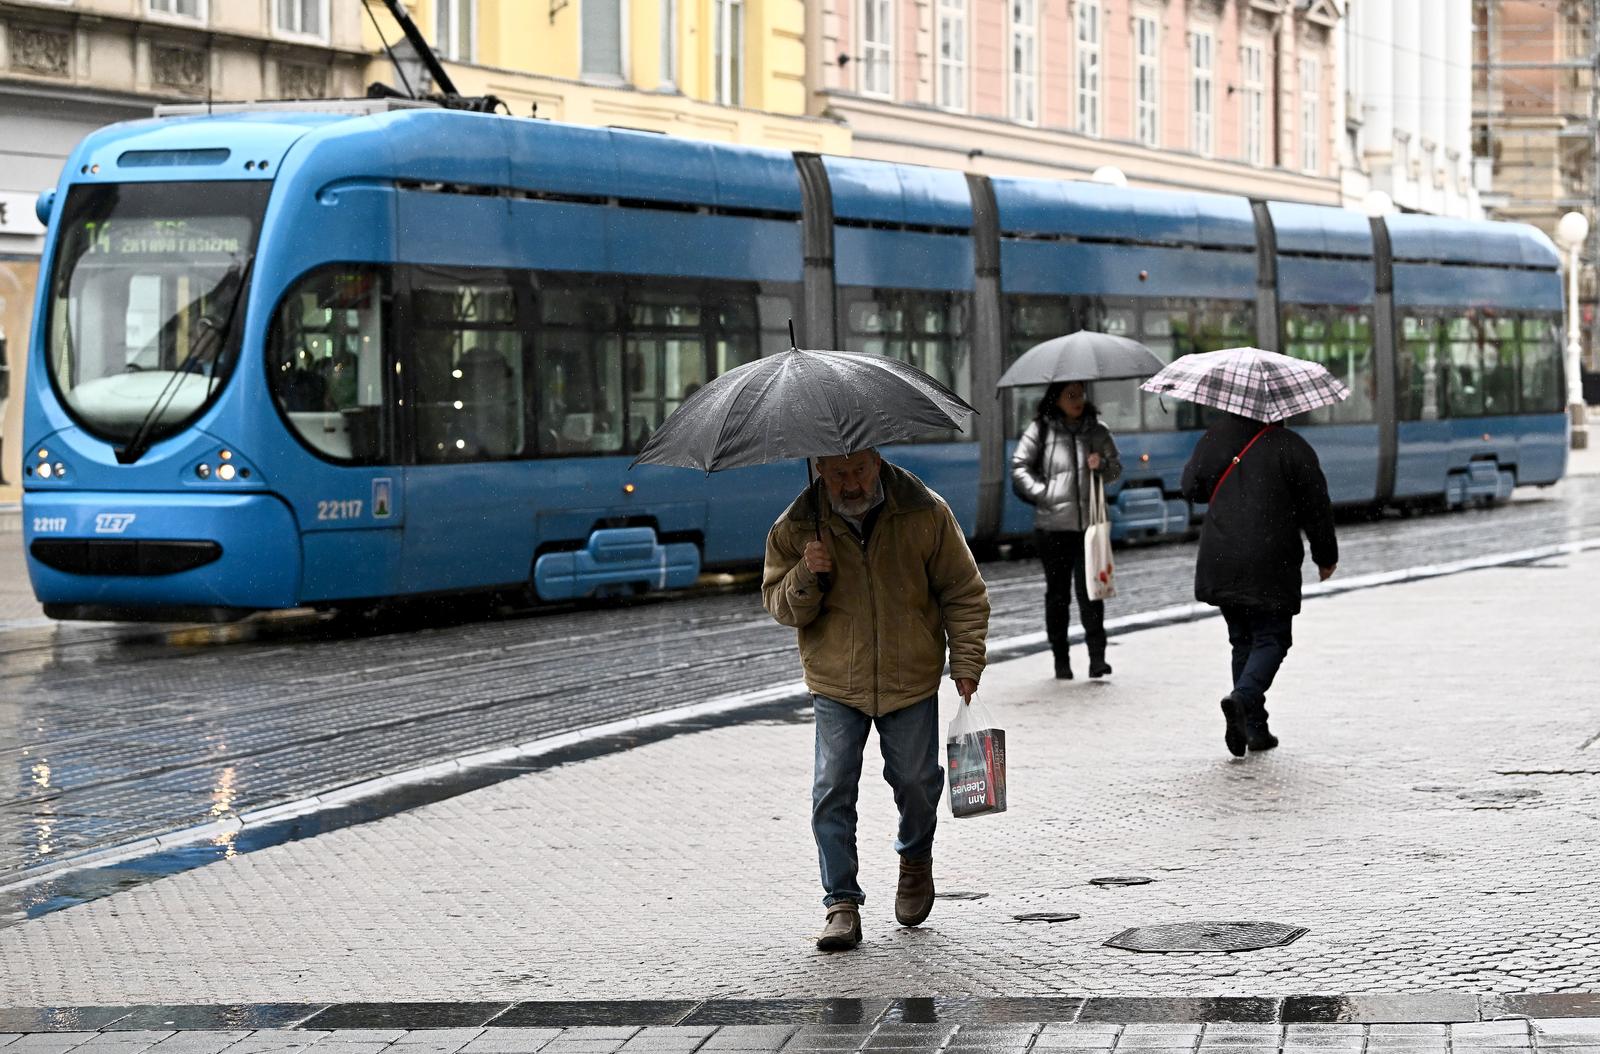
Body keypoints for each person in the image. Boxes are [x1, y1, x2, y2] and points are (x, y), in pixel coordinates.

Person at [762, 448, 990, 953]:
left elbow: (963, 591)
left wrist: (967, 663)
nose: (850, 483)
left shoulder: (925, 511)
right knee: (832, 788)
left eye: (859, 470)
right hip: (836, 681)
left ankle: (914, 859)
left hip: (910, 676)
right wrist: (805, 573)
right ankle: (841, 904)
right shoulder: (797, 526)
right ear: (819, 469)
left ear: (877, 460)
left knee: (916, 781)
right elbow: (780, 605)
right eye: (838, 473)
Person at [1180, 412, 1338, 757]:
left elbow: (1190, 488)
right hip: (1270, 559)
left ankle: (1254, 728)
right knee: (1272, 638)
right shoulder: (1293, 448)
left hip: (1221, 554)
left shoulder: (1216, 437)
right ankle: (1243, 699)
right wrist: (1325, 555)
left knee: (1243, 641)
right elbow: (1317, 508)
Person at [1009, 380, 1122, 681]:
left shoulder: (1097, 429)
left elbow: (1116, 469)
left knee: (1092, 594)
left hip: (1089, 527)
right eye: (1070, 395)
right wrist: (1046, 493)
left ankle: (1098, 658)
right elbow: (1019, 467)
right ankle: (1061, 659)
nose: (1078, 400)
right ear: (1056, 399)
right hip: (1053, 528)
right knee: (1058, 596)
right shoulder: (1041, 430)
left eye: (1081, 394)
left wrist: (1101, 465)